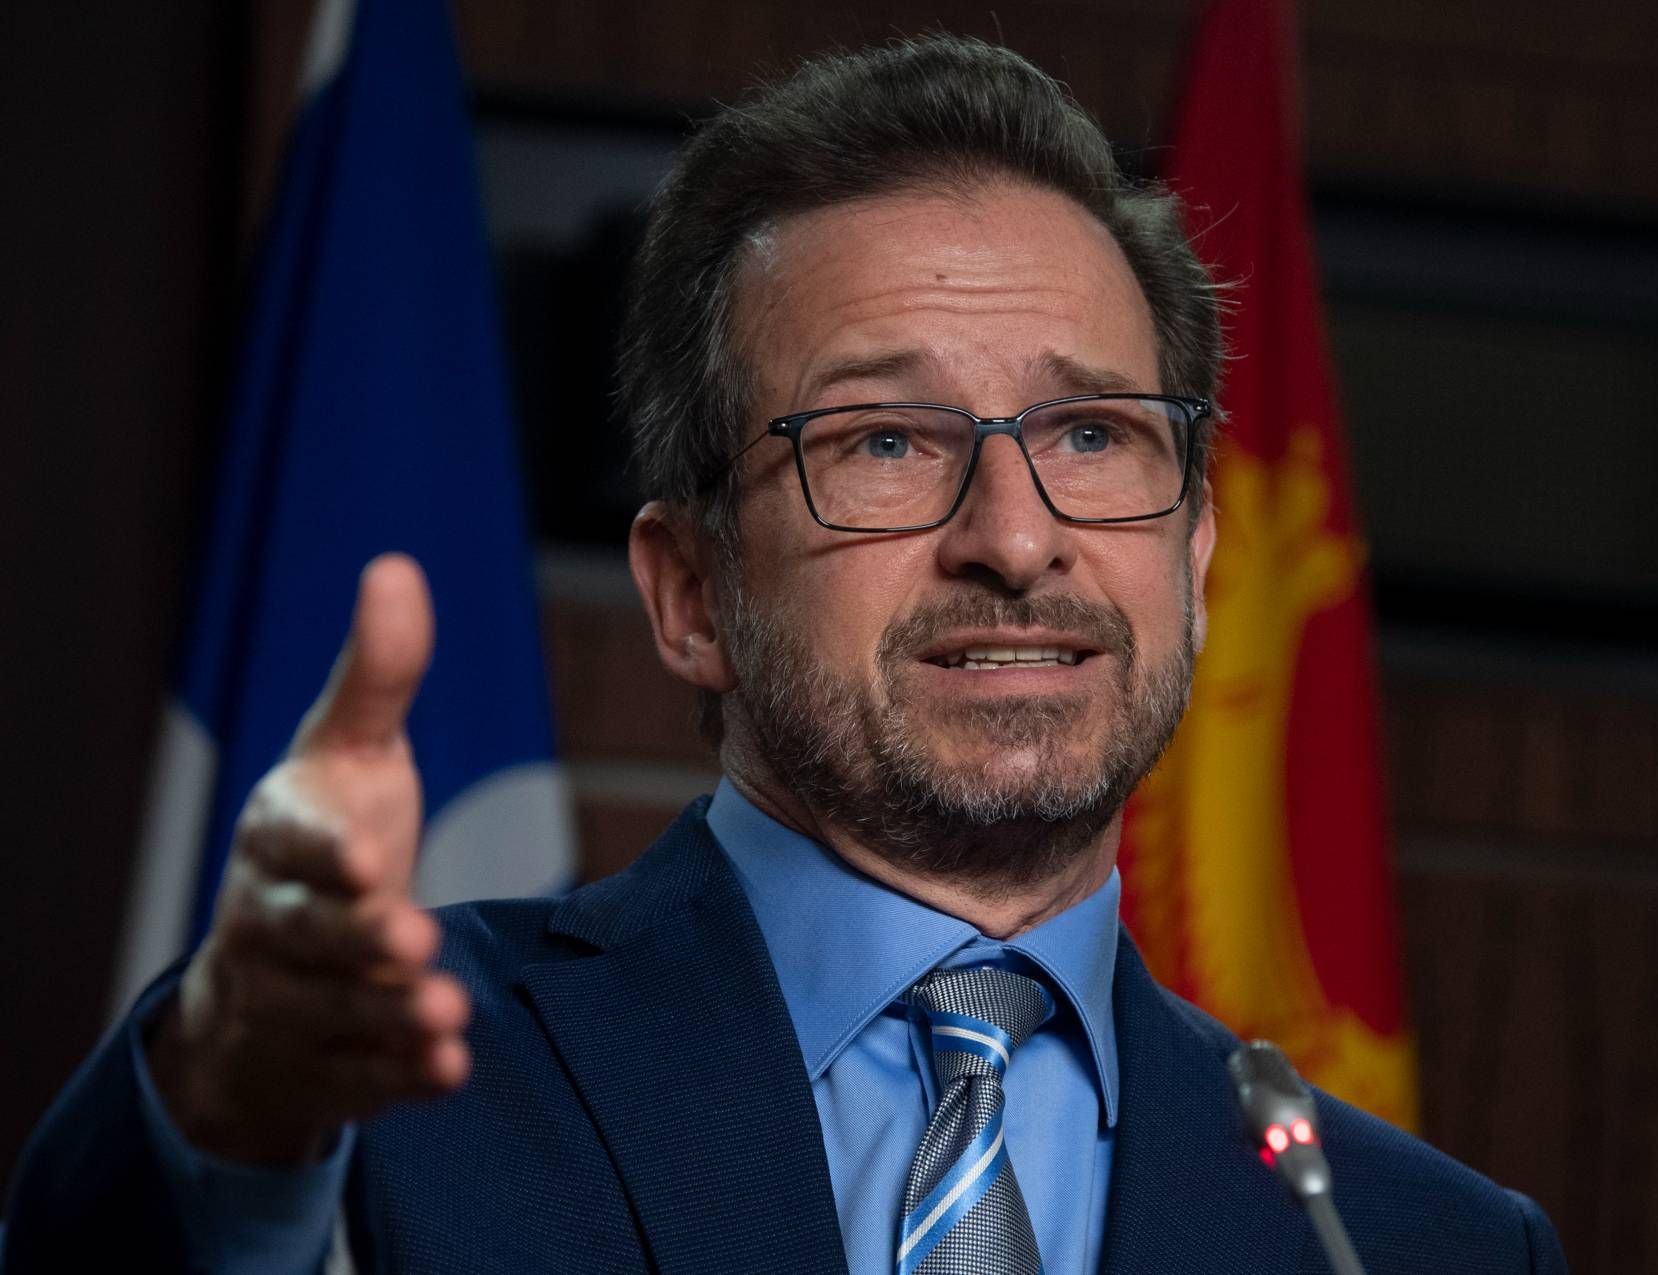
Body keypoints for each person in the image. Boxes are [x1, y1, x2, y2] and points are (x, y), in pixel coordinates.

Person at [5, 35, 1565, 1274]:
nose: (1016, 540)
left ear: (1200, 559)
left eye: (1093, 433)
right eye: (887, 441)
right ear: (690, 593)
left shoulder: (1421, 1243)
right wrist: (221, 1110)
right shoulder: (395, 1103)